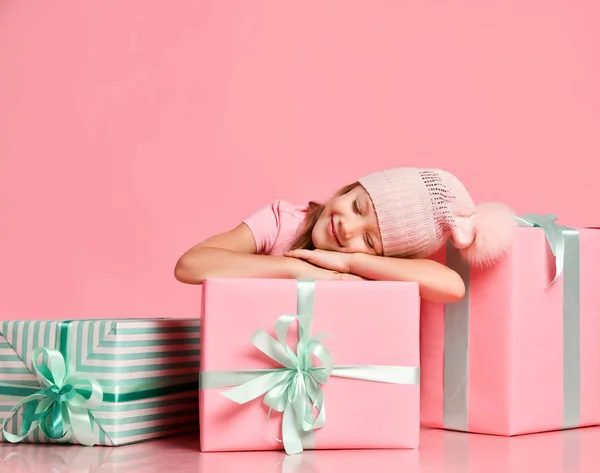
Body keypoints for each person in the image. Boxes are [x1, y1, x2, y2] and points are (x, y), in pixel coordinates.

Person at [174, 167, 516, 303]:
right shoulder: (283, 223)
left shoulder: (366, 268)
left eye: (368, 241)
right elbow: (190, 265)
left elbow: (452, 287)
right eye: (357, 206)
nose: (347, 227)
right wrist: (298, 271)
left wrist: (349, 263)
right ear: (352, 187)